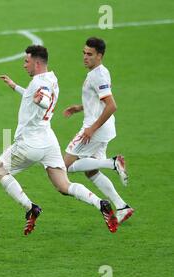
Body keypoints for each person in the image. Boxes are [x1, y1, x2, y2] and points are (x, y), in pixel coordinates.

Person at [0, 45, 118, 234]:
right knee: (63, 185)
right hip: (48, 141)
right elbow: (35, 94)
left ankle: (30, 208)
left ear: (36, 63)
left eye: (26, 61)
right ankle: (99, 203)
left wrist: (40, 102)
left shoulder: (39, 85)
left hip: (30, 142)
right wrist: (15, 87)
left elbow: (42, 98)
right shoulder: (51, 78)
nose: (24, 65)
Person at [63, 37, 134, 224]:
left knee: (65, 166)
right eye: (84, 53)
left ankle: (112, 163)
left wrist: (91, 129)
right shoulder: (100, 72)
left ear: (100, 56)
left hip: (95, 129)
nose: (85, 57)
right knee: (91, 172)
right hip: (104, 128)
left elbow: (112, 106)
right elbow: (99, 102)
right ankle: (121, 207)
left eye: (90, 54)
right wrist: (79, 108)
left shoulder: (97, 76)